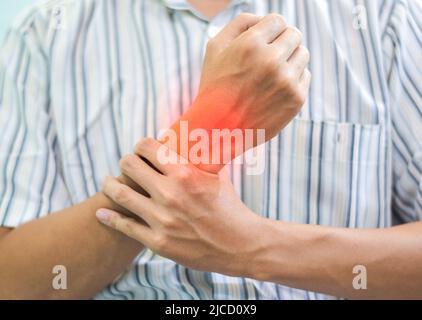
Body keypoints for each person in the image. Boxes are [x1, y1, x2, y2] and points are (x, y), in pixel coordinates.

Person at [0, 0, 421, 300]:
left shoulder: (388, 17)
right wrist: (209, 126)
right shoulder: (41, 35)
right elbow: (11, 283)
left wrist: (252, 246)